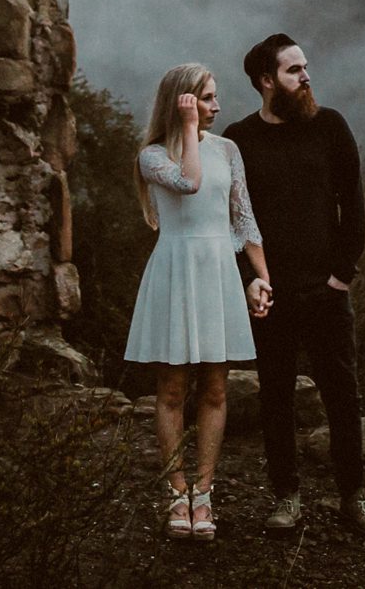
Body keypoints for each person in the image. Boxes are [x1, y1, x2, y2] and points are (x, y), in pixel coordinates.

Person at [222, 34, 365, 538]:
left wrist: (343, 275)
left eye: (306, 67)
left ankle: (353, 498)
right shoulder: (238, 140)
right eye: (294, 70)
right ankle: (286, 497)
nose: (306, 76)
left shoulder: (330, 127)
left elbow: (353, 204)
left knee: (343, 395)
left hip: (327, 289)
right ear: (267, 81)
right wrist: (252, 280)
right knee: (276, 395)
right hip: (271, 292)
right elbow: (231, 218)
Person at [124, 63, 272, 541]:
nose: (216, 106)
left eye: (214, 97)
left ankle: (204, 495)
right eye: (206, 98)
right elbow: (188, 183)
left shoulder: (227, 150)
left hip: (218, 272)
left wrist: (262, 278)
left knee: (215, 389)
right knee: (170, 391)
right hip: (175, 268)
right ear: (183, 102)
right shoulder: (151, 155)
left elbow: (243, 218)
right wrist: (188, 130)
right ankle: (176, 493)